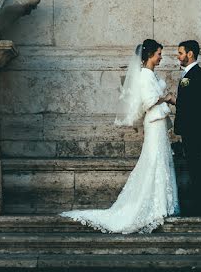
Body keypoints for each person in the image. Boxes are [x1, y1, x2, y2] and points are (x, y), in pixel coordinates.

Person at [61, 39, 179, 233]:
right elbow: (148, 101)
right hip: (154, 123)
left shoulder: (150, 74)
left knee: (159, 160)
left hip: (158, 125)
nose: (161, 57)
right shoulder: (144, 75)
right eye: (159, 53)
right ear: (150, 55)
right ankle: (154, 206)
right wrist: (166, 97)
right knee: (154, 161)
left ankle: (161, 204)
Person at [165, 39, 201, 215]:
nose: (178, 56)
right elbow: (189, 101)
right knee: (194, 166)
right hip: (191, 128)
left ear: (190, 54)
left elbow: (192, 104)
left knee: (196, 166)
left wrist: (173, 100)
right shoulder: (190, 74)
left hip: (194, 128)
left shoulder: (196, 75)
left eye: (180, 53)